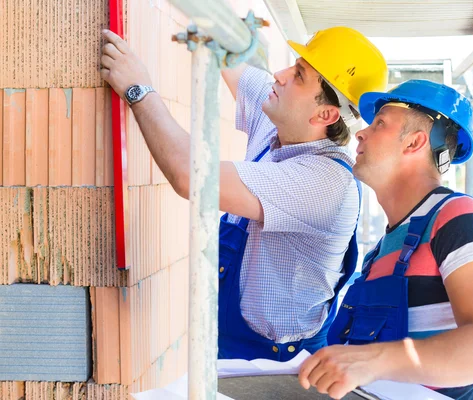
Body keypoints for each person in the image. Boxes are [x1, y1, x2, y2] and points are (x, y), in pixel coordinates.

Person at [99, 26, 388, 361]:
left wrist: (138, 89)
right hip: (229, 341)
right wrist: (213, 27)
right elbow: (225, 52)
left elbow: (189, 175)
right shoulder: (282, 124)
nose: (278, 76)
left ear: (325, 114)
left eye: (298, 75)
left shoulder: (325, 184)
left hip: (276, 365)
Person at [298, 80, 473, 399]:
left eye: (380, 123)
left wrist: (372, 361)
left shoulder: (460, 219)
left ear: (414, 143)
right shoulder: (380, 253)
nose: (360, 132)